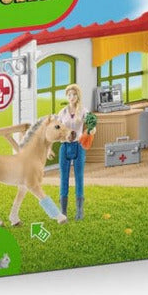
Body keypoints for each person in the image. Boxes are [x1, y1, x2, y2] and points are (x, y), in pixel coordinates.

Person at [57, 83, 94, 220]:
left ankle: (79, 210)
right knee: (63, 177)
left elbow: (92, 122)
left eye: (74, 94)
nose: (71, 97)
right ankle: (63, 211)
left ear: (78, 96)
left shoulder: (83, 111)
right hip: (65, 146)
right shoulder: (62, 113)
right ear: (67, 96)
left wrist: (91, 129)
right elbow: (57, 129)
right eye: (69, 95)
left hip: (79, 145)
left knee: (79, 177)